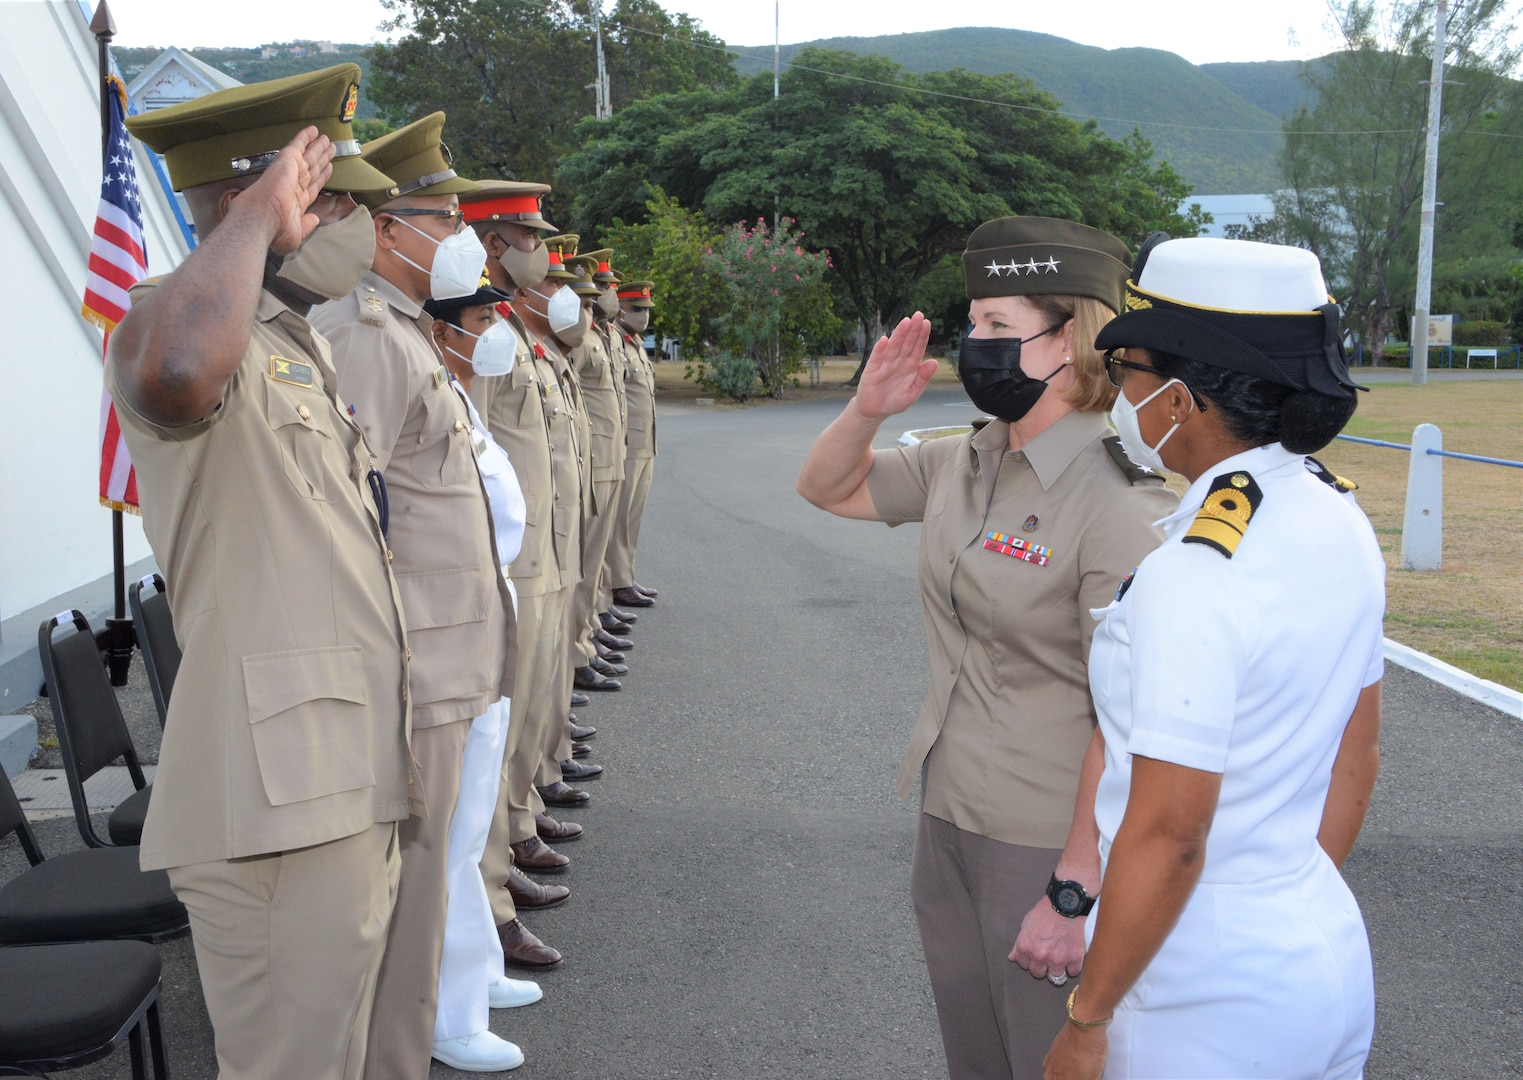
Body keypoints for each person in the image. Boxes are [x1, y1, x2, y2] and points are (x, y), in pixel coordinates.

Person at [796, 217, 1178, 1079]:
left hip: (1044, 838)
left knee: (1049, 1057)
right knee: (973, 1053)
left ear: (1070, 339)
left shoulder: (1121, 502)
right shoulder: (965, 461)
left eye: (999, 327)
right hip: (949, 813)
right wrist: (867, 410)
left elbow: (1135, 716)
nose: (975, 344)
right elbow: (826, 488)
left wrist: (1073, 888)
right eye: (973, 324)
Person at [110, 64, 412, 1080]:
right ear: (266, 201)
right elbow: (178, 374)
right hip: (279, 815)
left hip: (342, 780)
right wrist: (251, 222)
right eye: (331, 199)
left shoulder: (292, 344)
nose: (356, 224)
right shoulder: (171, 321)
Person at [1042, 236, 1381, 1080]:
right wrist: (1266, 903)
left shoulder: (1193, 573)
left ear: (1179, 399)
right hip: (1314, 946)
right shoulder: (1334, 515)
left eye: (1128, 371)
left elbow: (1169, 833)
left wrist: (1086, 1021)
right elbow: (1355, 757)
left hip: (1198, 993)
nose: (1118, 392)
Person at [311, 112, 518, 1080]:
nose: (459, 235)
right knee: (416, 885)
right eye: (439, 215)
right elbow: (355, 519)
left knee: (435, 876)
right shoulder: (365, 337)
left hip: (451, 650)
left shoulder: (402, 332)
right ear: (388, 232)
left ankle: (413, 1037)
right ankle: (396, 1055)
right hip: (419, 658)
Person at [459, 181, 584, 967]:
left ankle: (514, 840)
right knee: (496, 734)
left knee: (532, 704)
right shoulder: (470, 327)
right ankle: (488, 900)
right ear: (493, 242)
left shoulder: (507, 324)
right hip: (511, 557)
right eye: (528, 236)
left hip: (548, 544)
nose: (542, 250)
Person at [424, 277, 544, 1072]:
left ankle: (470, 973)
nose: (491, 331)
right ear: (443, 332)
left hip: (479, 612)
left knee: (468, 829)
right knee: (445, 834)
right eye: (477, 320)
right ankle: (442, 1010)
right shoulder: (421, 379)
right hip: (443, 627)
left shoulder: (459, 393)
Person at [605, 280, 660, 609]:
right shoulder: (617, 344)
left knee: (633, 517)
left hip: (644, 443)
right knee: (620, 518)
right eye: (638, 309)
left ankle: (627, 575)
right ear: (621, 308)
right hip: (625, 445)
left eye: (647, 311)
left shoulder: (635, 344)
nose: (644, 316)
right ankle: (617, 582)